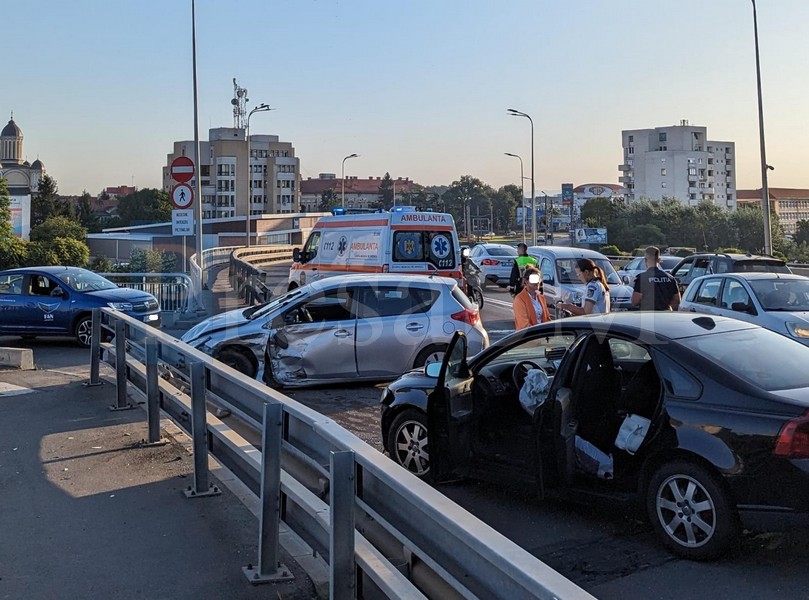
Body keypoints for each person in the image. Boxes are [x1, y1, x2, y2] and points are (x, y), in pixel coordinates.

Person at [632, 246, 680, 311]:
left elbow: (635, 301)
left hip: (647, 315)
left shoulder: (641, 278)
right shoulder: (670, 278)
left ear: (645, 260)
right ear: (659, 260)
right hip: (666, 315)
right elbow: (676, 301)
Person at [513, 265, 551, 330]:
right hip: (529, 337)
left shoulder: (541, 298)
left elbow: (547, 319)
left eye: (539, 279)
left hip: (542, 336)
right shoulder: (519, 299)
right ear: (526, 281)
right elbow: (524, 325)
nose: (537, 282)